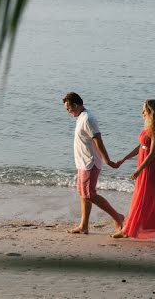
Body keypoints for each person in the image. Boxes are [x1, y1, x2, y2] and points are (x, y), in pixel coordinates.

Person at [112, 99, 155, 242]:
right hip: (143, 165)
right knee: (141, 197)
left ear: (151, 112)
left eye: (144, 110)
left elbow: (152, 153)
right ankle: (127, 230)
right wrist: (124, 158)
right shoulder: (147, 127)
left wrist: (138, 169)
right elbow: (140, 147)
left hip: (151, 167)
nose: (142, 113)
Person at [62, 91, 124, 234]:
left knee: (89, 194)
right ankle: (84, 226)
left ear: (76, 105)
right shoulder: (81, 116)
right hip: (82, 162)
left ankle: (118, 217)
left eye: (68, 108)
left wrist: (107, 160)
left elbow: (98, 139)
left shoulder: (88, 118)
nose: (67, 111)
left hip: (90, 162)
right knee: (83, 193)